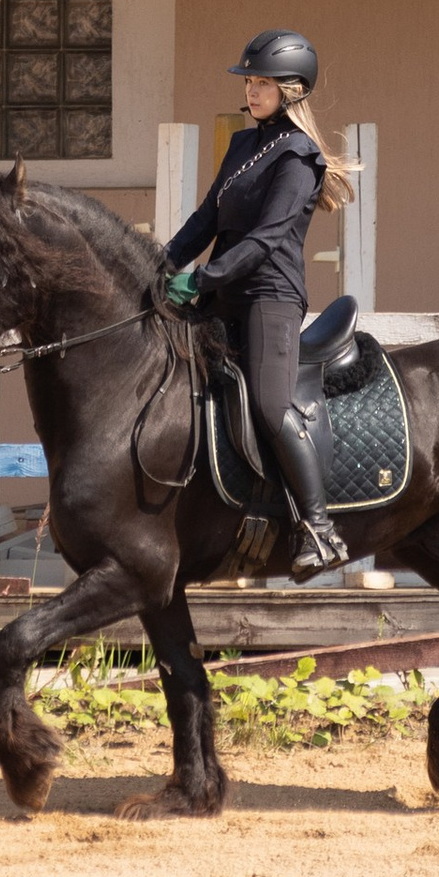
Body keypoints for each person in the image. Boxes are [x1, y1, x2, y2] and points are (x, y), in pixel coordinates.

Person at [159, 28, 355, 580]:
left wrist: (202, 279)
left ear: (291, 89)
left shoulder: (300, 156)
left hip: (269, 297)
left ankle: (319, 529)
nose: (252, 90)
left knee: (270, 407)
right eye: (249, 81)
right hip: (223, 292)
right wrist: (164, 264)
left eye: (262, 82)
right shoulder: (244, 146)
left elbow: (266, 239)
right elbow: (207, 218)